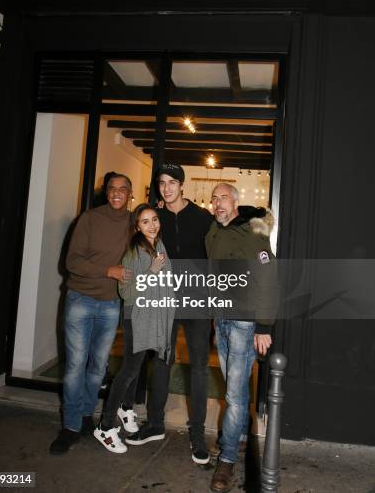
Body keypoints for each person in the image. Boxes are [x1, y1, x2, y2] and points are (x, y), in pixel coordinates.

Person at [126, 164, 214, 465]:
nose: (166, 188)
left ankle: (199, 434)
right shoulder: (156, 217)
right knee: (161, 360)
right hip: (165, 299)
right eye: (162, 183)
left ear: (182, 185)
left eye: (172, 182)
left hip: (198, 300)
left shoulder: (203, 218)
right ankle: (154, 424)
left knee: (199, 366)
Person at [49, 173, 133, 455]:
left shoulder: (134, 223)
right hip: (80, 301)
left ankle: (85, 414)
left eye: (123, 189)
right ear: (106, 193)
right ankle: (70, 426)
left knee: (98, 366)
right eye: (113, 189)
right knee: (75, 366)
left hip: (110, 304)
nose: (117, 193)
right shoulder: (89, 218)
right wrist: (108, 270)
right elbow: (71, 262)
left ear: (131, 194)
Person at [205, 183, 276, 493]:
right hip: (222, 319)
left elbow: (269, 277)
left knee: (233, 394)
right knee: (234, 391)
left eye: (223, 198)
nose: (218, 204)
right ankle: (239, 437)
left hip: (246, 324)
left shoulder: (253, 234)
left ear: (235, 201)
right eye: (214, 199)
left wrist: (264, 326)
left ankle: (228, 458)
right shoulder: (213, 232)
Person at [94, 203, 175, 453]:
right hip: (137, 317)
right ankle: (105, 426)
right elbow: (126, 292)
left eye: (155, 219)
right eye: (145, 222)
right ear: (137, 226)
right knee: (129, 370)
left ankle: (126, 408)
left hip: (153, 316)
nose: (152, 225)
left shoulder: (158, 244)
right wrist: (151, 272)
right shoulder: (133, 252)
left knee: (137, 367)